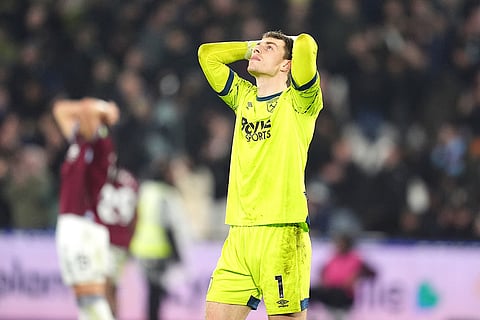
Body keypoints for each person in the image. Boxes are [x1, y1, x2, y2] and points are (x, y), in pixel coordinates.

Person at [198, 30, 323, 320]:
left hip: (282, 233)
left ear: (286, 65)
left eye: (268, 48)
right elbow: (207, 55)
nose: (258, 50)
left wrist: (288, 40)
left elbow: (306, 45)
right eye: (258, 46)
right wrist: (251, 47)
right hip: (239, 235)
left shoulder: (301, 102)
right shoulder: (243, 97)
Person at [53, 97, 139, 320]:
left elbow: (85, 111)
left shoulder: (101, 145)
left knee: (92, 298)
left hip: (84, 227)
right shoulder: (82, 141)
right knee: (85, 299)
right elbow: (60, 110)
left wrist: (102, 110)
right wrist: (104, 109)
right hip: (74, 226)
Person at [129, 158, 190, 320]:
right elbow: (168, 225)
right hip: (158, 251)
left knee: (152, 292)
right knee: (156, 292)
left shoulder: (143, 191)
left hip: (140, 249)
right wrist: (177, 254)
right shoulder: (166, 195)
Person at [309, 233, 376, 320]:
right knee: (310, 292)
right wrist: (323, 279)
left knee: (337, 296)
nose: (338, 245)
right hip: (329, 290)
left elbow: (372, 272)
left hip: (344, 292)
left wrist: (357, 276)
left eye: (340, 243)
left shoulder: (355, 258)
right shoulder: (334, 256)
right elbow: (322, 269)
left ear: (347, 245)